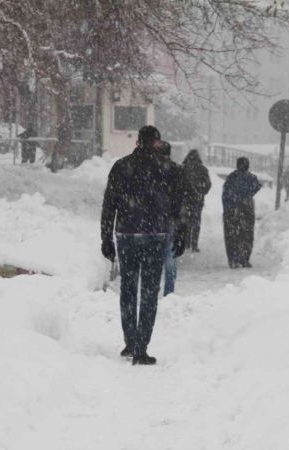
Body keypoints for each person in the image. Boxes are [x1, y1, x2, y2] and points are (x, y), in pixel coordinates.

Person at [101, 126, 186, 365]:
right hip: (155, 235)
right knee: (149, 292)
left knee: (128, 287)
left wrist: (106, 238)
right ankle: (141, 347)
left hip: (127, 234)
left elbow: (109, 205)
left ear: (138, 141)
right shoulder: (169, 170)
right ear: (157, 143)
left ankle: (130, 341)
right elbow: (179, 206)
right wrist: (181, 234)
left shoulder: (121, 167)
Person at [156, 141, 189, 296]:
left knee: (152, 255)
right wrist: (183, 227)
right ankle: (169, 292)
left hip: (152, 219)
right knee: (170, 255)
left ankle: (151, 289)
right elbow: (183, 199)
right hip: (172, 218)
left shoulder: (150, 170)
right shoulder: (179, 170)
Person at [222, 157, 261, 269]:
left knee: (231, 235)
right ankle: (244, 258)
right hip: (247, 209)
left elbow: (225, 194)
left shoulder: (231, 177)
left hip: (231, 210)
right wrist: (246, 197)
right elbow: (257, 187)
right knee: (247, 235)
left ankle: (233, 259)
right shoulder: (252, 178)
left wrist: (228, 207)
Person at [182, 149, 211, 252]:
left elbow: (178, 184)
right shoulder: (202, 169)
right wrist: (202, 192)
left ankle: (186, 243)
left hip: (184, 199)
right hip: (197, 199)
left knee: (185, 221)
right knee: (196, 221)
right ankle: (194, 245)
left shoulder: (183, 168)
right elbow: (208, 184)